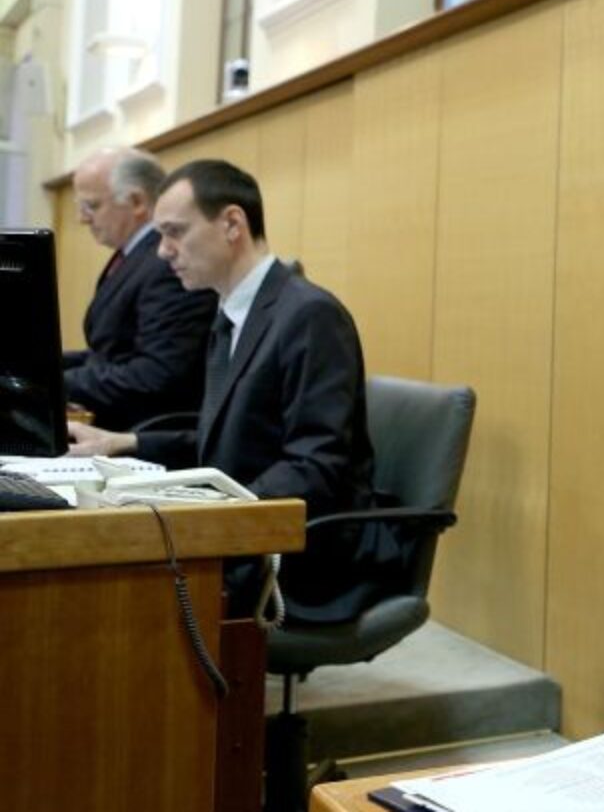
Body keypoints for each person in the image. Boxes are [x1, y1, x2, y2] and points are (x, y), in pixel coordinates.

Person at [68, 159, 379, 621]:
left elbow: (315, 467)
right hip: (243, 530)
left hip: (300, 556)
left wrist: (211, 510)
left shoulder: (309, 316)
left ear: (232, 224)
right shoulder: (231, 313)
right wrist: (124, 442)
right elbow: (230, 438)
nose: (162, 251)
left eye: (175, 232)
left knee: (113, 590)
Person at [63, 147, 214, 430]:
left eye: (91, 206)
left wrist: (55, 383)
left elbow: (157, 374)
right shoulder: (133, 256)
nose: (83, 218)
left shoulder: (168, 263)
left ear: (136, 202)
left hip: (147, 436)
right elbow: (111, 352)